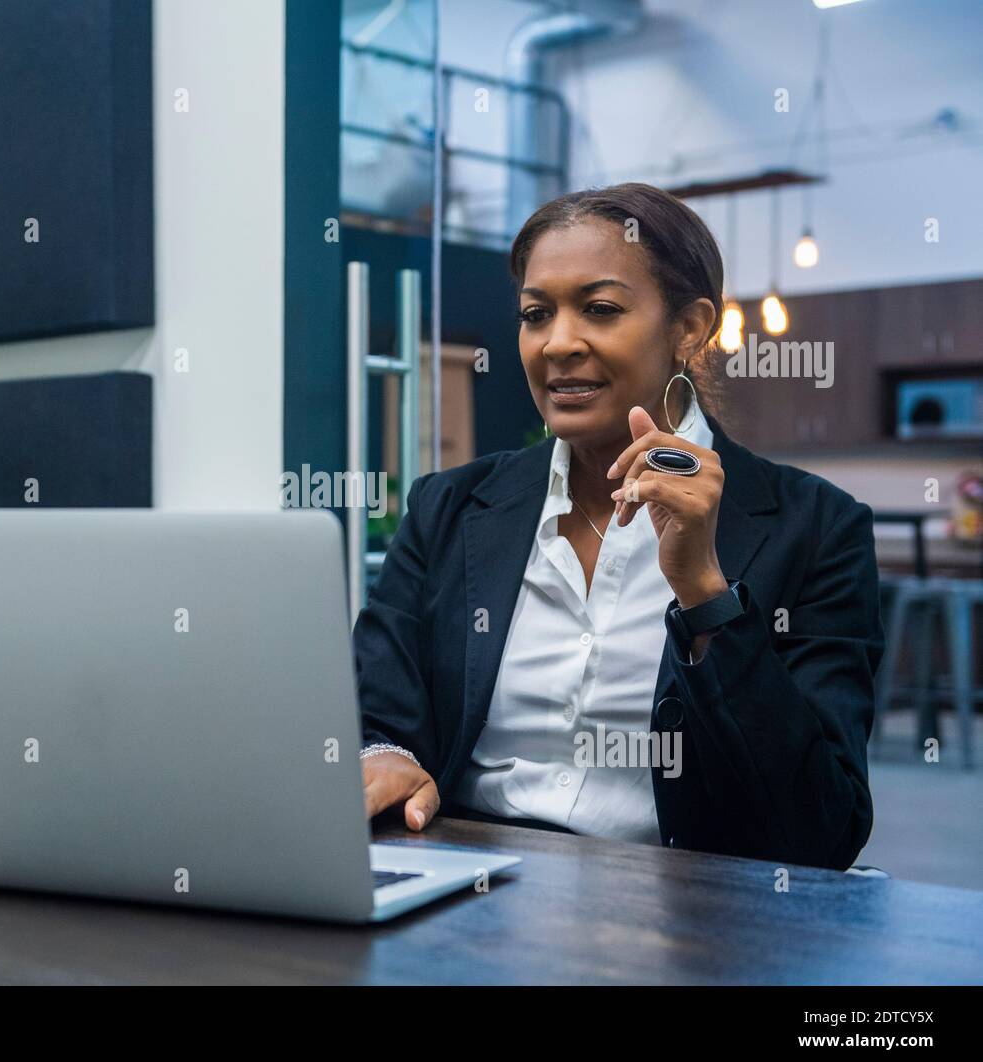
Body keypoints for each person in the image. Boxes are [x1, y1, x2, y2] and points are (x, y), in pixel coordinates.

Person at [355, 182, 883, 870]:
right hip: (465, 883)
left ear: (690, 328)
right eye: (536, 313)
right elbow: (378, 716)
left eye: (600, 309)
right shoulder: (448, 507)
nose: (558, 343)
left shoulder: (818, 529)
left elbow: (823, 829)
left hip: (691, 917)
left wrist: (704, 592)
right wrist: (383, 757)